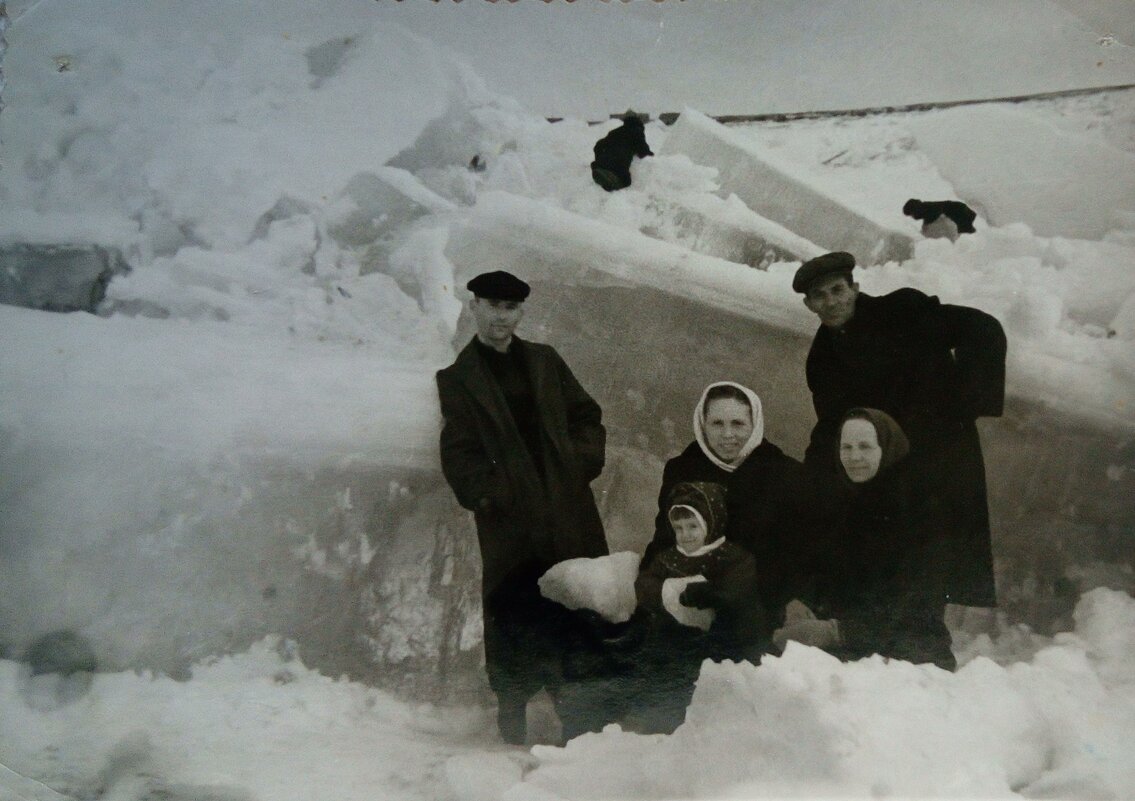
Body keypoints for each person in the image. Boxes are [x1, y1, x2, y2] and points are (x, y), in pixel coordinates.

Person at [435, 269, 609, 745]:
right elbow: (459, 451)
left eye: (510, 308)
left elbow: (586, 415)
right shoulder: (458, 379)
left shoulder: (545, 361)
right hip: (510, 522)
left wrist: (578, 465)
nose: (501, 316)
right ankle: (511, 711)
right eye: (492, 305)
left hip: (567, 509)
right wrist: (491, 496)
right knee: (514, 611)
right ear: (474, 307)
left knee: (574, 604)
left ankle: (577, 717)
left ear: (522, 312)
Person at [793, 251, 1007, 609]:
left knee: (935, 552)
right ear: (809, 305)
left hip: (939, 454)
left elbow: (983, 329)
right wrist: (808, 477)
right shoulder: (822, 360)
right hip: (890, 465)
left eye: (838, 290)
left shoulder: (904, 310)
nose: (832, 302)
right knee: (889, 549)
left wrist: (963, 406)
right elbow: (834, 425)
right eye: (820, 296)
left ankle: (929, 648)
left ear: (855, 288)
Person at [773, 408, 956, 670]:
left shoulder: (921, 513)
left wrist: (836, 631)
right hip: (853, 644)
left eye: (865, 447)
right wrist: (802, 602)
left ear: (888, 449)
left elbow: (914, 606)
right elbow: (822, 573)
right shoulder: (844, 505)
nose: (854, 457)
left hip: (909, 654)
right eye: (846, 447)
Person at [640, 381, 813, 623]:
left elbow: (798, 553)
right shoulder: (682, 469)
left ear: (754, 425)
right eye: (717, 424)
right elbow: (666, 539)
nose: (727, 434)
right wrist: (649, 588)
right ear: (703, 424)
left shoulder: (785, 474)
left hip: (762, 600)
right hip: (691, 599)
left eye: (738, 424)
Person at [631, 481, 768, 732]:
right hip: (677, 643)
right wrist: (668, 591)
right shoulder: (669, 558)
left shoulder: (733, 557)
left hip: (725, 641)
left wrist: (705, 593)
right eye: (679, 528)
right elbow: (645, 585)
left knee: (722, 689)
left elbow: (735, 594)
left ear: (711, 524)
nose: (686, 535)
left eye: (693, 526)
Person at [590, 111, 653, 192]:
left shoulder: (615, 132)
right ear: (637, 119)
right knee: (626, 182)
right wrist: (649, 154)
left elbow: (598, 146)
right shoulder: (637, 131)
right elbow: (643, 151)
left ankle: (601, 170)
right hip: (619, 162)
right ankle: (612, 182)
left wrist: (598, 158)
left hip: (604, 159)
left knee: (609, 165)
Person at [902, 198, 978, 241]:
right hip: (961, 210)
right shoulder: (926, 207)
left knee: (966, 235)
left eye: (911, 215)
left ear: (913, 211)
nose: (912, 217)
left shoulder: (925, 208)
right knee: (965, 234)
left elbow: (934, 214)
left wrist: (926, 226)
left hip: (960, 212)